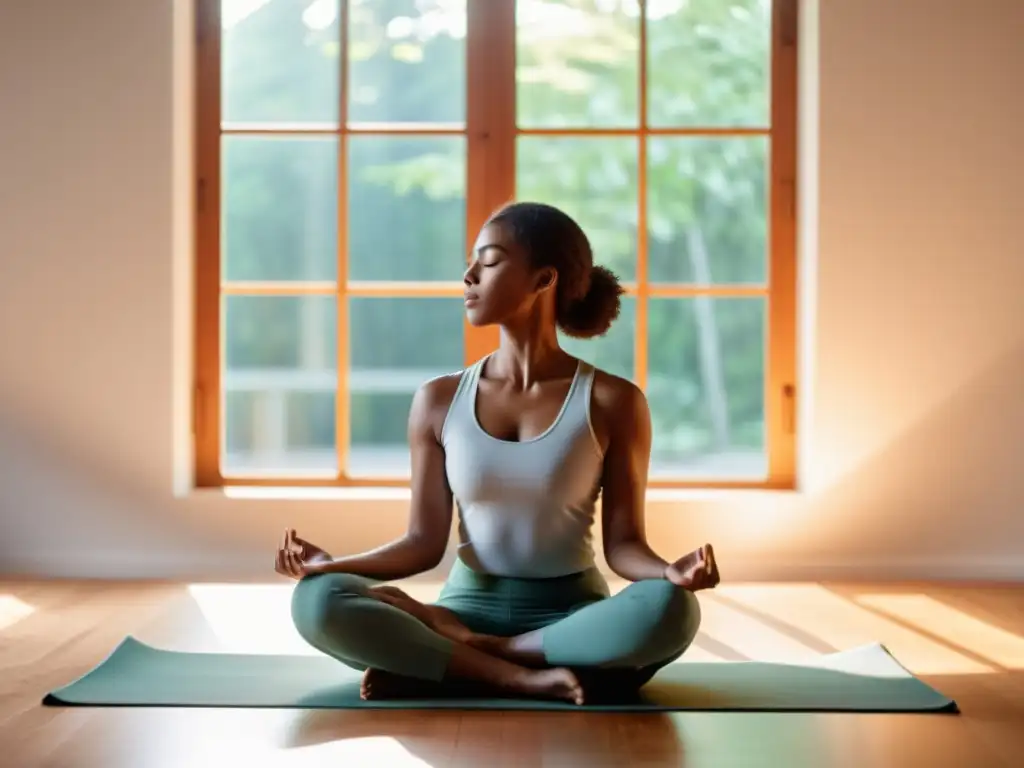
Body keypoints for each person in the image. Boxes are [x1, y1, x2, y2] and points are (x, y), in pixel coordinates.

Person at [274, 201, 720, 706]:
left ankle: (462, 660)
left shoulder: (614, 401)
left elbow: (623, 546)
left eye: (487, 262)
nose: (467, 276)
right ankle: (522, 676)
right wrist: (331, 567)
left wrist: (670, 575)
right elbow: (422, 542)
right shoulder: (438, 400)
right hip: (461, 610)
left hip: (572, 619)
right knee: (316, 602)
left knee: (672, 610)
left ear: (542, 280)